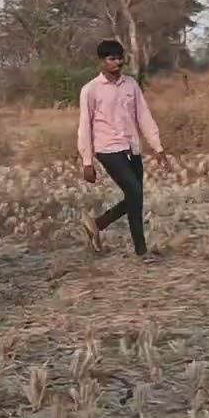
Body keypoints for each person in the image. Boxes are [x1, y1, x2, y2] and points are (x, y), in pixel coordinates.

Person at [77, 40, 167, 262]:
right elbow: (84, 125)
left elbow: (143, 116)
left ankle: (97, 225)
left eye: (119, 58)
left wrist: (157, 147)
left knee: (136, 197)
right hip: (107, 149)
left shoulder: (131, 85)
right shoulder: (90, 90)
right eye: (111, 59)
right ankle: (141, 251)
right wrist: (87, 161)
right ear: (101, 62)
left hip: (131, 147)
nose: (117, 63)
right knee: (135, 194)